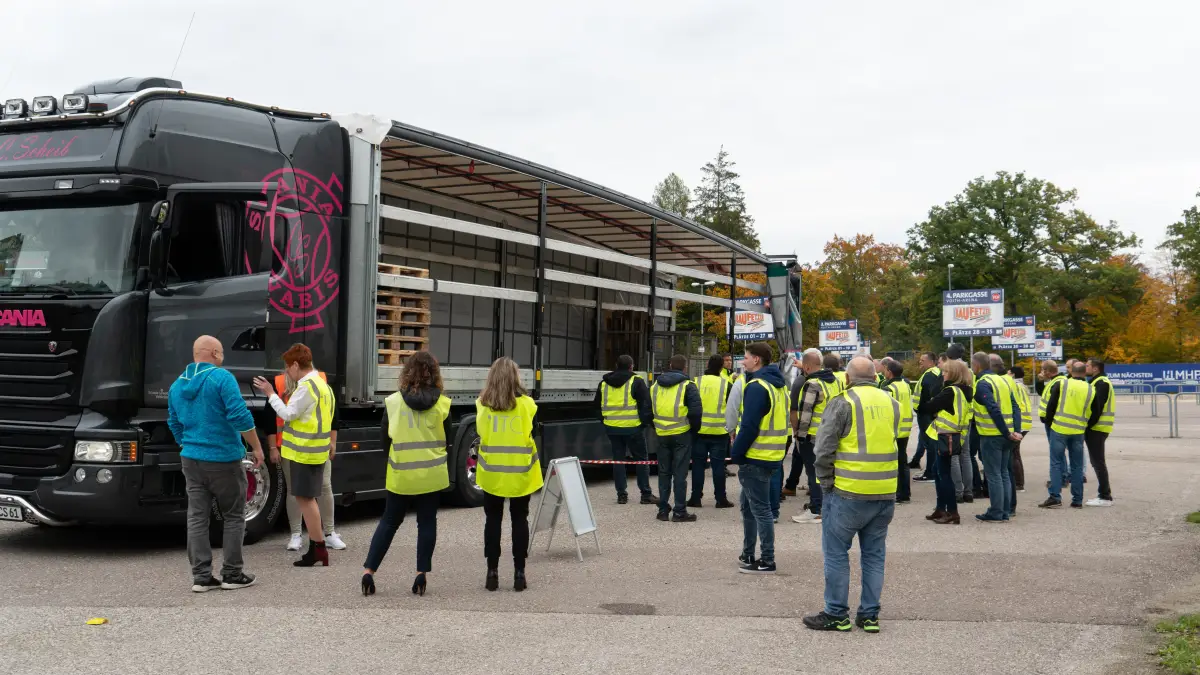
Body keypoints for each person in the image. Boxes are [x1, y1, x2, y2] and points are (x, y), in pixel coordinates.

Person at [804, 357, 898, 633]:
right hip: (884, 491)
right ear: (875, 376)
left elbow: (823, 449)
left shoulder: (843, 402)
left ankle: (836, 613)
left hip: (848, 491)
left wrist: (825, 483)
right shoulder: (891, 402)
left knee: (836, 553)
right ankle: (869, 615)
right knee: (874, 555)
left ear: (847, 378)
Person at [170, 335, 264, 593]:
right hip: (223, 458)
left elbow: (174, 422)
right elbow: (240, 416)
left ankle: (201, 577)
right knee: (234, 516)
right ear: (214, 353)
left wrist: (187, 444)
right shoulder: (222, 379)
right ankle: (232, 574)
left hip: (191, 458)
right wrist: (256, 447)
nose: (223, 357)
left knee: (197, 517)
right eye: (221, 352)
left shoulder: (177, 385)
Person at [362, 351, 451, 597]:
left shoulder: (392, 403)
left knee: (389, 522)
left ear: (407, 372)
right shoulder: (443, 403)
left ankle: (369, 571)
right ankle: (420, 574)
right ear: (434, 373)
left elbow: (384, 442)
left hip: (401, 474)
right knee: (427, 523)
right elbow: (448, 442)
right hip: (431, 475)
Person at [253, 343, 336, 567]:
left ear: (297, 365)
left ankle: (318, 549)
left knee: (305, 500)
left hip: (303, 452)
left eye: (288, 368)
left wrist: (271, 394)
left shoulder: (307, 386)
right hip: (315, 451)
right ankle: (318, 548)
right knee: (310, 500)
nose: (287, 372)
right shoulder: (323, 385)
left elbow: (288, 414)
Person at [476, 357, 543, 592]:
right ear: (515, 378)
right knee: (519, 519)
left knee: (492, 520)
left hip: (492, 473)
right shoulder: (528, 405)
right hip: (519, 472)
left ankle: (492, 572)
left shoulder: (481, 405)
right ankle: (519, 573)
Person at [269, 368, 346, 552]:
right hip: (292, 448)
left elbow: (333, 415)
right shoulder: (280, 383)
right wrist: (273, 447)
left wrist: (333, 442)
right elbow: (269, 418)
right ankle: (296, 534)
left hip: (317, 446)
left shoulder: (319, 383)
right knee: (295, 491)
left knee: (325, 487)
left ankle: (329, 533)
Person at [732, 342, 788, 573]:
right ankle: (748, 553)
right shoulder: (777, 385)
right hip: (771, 454)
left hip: (756, 456)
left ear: (756, 360)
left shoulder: (757, 386)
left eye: (745, 357)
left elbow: (749, 426)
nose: (742, 362)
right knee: (748, 507)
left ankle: (767, 560)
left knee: (761, 510)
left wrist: (736, 452)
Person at [595, 355, 656, 505]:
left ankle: (621, 495)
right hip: (634, 429)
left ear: (616, 365)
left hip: (613, 429)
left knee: (618, 461)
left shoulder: (604, 383)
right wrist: (643, 424)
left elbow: (596, 407)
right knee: (641, 461)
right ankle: (645, 494)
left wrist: (607, 422)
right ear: (631, 366)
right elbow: (646, 406)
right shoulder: (636, 382)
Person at [786, 350, 836, 524]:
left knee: (813, 473)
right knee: (826, 473)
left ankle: (816, 509)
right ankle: (827, 506)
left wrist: (799, 437)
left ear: (806, 367)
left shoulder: (812, 384)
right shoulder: (833, 381)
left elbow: (805, 413)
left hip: (812, 437)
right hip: (830, 435)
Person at [920, 360, 972, 524]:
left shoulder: (950, 391)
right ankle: (941, 508)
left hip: (945, 436)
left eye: (945, 372)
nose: (942, 374)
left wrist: (938, 390)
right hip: (953, 435)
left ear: (954, 374)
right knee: (938, 471)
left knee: (944, 474)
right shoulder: (965, 390)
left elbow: (928, 406)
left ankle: (952, 512)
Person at [651, 354, 702, 522]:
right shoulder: (688, 385)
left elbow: (646, 409)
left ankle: (663, 510)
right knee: (680, 474)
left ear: (670, 365)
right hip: (681, 434)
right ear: (685, 368)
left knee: (664, 472)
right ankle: (680, 511)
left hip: (661, 435)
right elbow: (695, 412)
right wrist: (694, 430)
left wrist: (656, 426)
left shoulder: (655, 386)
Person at [972, 353, 1022, 522]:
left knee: (993, 475)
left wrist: (1006, 431)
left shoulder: (982, 383)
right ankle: (1005, 511)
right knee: (1004, 474)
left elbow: (993, 408)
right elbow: (1015, 406)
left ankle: (996, 512)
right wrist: (1016, 430)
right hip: (1006, 435)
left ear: (976, 365)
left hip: (992, 435)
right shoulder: (1003, 381)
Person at [1040, 361, 1093, 509]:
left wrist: (1050, 423)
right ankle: (1077, 499)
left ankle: (1055, 496)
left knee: (1056, 463)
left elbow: (1051, 406)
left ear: (1072, 372)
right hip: (1078, 430)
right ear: (1084, 373)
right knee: (1076, 466)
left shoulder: (1062, 384)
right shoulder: (1090, 388)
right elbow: (1093, 410)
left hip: (1059, 429)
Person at [691, 354, 734, 508]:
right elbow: (732, 409)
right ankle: (721, 499)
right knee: (718, 467)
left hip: (699, 431)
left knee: (697, 466)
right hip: (719, 432)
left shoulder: (696, 382)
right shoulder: (726, 385)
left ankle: (695, 498)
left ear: (707, 364)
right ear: (722, 367)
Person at [883, 359, 914, 504]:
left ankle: (897, 493)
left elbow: (886, 409)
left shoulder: (889, 387)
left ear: (889, 372)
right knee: (903, 462)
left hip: (893, 429)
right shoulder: (906, 385)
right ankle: (905, 493)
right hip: (905, 428)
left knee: (893, 462)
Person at [1085, 359, 1115, 507]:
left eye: (1087, 365)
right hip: (1097, 428)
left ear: (1095, 368)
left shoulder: (1101, 383)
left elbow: (1097, 408)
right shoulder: (1096, 382)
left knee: (1098, 462)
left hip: (1097, 428)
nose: (1085, 367)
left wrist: (1088, 425)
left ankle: (1105, 496)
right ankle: (1104, 494)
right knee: (1096, 461)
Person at [909, 352, 943, 482]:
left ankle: (931, 473)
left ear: (931, 362)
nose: (920, 363)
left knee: (931, 444)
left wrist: (931, 410)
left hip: (927, 415)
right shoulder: (931, 374)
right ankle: (930, 471)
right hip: (926, 414)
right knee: (929, 444)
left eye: (922, 361)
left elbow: (932, 395)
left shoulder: (931, 375)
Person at [1006, 365, 1032, 494]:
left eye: (1009, 372)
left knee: (1014, 453)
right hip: (1026, 422)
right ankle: (1018, 482)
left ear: (1013, 374)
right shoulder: (1023, 386)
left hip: (1020, 422)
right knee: (1015, 452)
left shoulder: (1013, 385)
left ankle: (1018, 483)